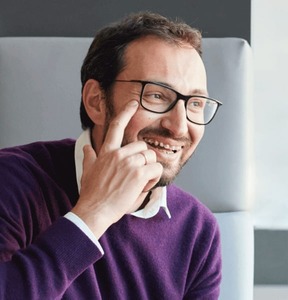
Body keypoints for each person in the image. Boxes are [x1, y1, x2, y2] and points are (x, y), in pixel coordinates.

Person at [0, 12, 222, 298]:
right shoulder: (11, 181)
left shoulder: (197, 230)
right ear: (96, 101)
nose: (179, 126)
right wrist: (95, 212)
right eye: (156, 95)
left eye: (195, 104)